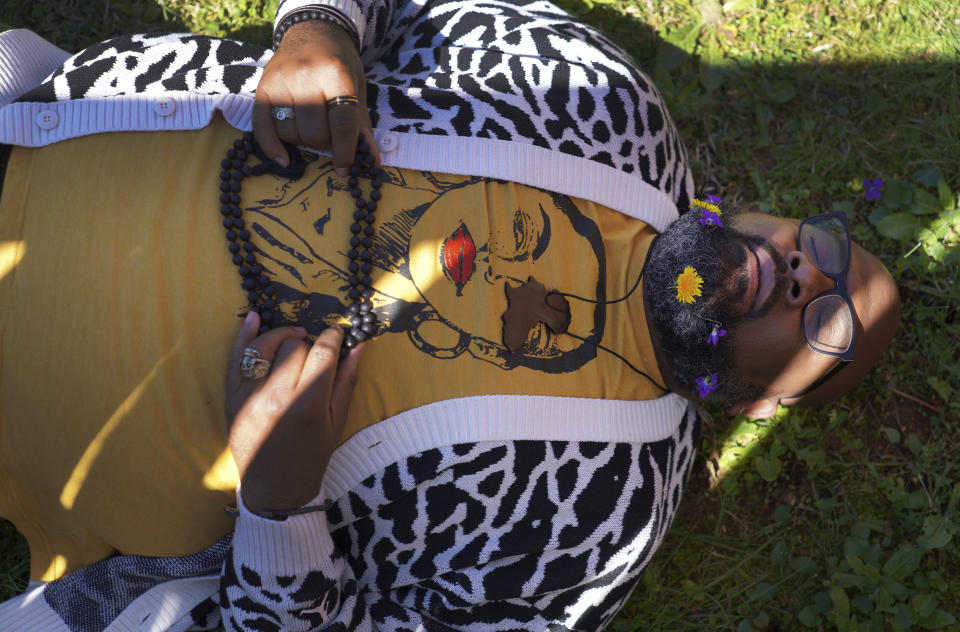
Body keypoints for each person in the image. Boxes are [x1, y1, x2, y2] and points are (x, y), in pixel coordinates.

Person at [0, 0, 899, 629]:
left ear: (757, 407)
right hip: (31, 134)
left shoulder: (600, 527)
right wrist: (323, 29)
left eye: (826, 329)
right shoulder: (605, 107)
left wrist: (280, 507)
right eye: (824, 250)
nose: (801, 278)